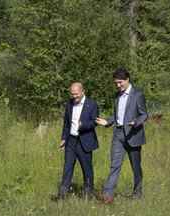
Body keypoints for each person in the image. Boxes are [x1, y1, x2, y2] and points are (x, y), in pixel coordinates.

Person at [96, 68, 148, 204]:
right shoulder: (117, 96)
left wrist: (136, 122)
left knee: (135, 167)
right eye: (116, 83)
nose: (118, 86)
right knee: (115, 165)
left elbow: (144, 114)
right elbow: (116, 116)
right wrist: (107, 121)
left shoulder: (138, 95)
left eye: (120, 83)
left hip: (133, 134)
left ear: (127, 79)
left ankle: (137, 193)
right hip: (118, 134)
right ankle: (108, 195)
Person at [57, 82, 99, 200]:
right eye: (72, 94)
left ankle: (88, 194)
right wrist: (64, 138)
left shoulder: (92, 104)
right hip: (71, 141)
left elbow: (95, 122)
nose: (74, 96)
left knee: (87, 169)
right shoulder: (69, 104)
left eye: (76, 94)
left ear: (83, 91)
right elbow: (66, 123)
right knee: (67, 168)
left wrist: (83, 125)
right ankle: (62, 195)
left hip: (84, 141)